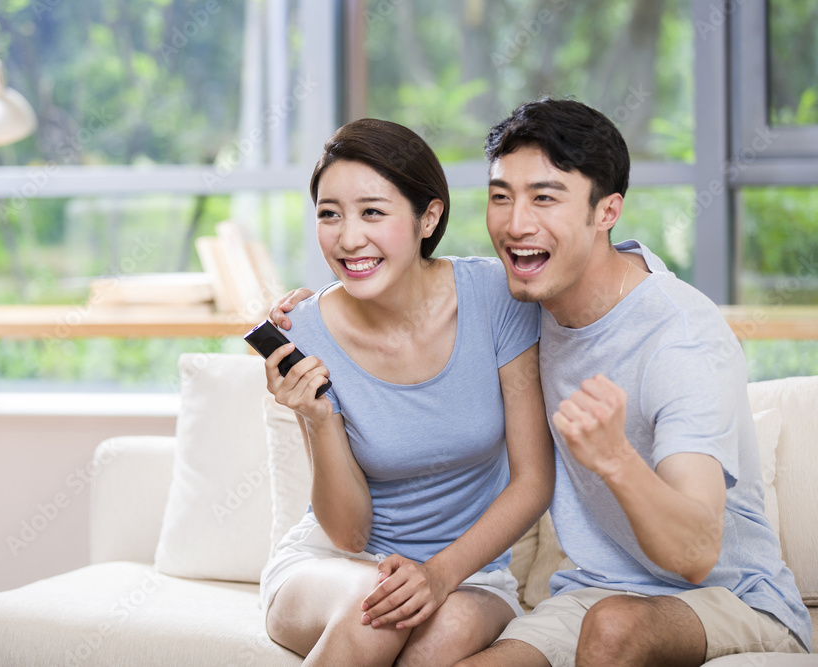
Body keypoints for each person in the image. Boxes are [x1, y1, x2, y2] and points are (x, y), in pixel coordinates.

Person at [276, 99, 812, 665]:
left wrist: (617, 461)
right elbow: (405, 290)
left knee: (613, 629)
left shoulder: (682, 342)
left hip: (729, 596)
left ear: (607, 212)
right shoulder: (529, 304)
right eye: (502, 196)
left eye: (545, 197)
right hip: (592, 591)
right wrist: (321, 313)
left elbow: (697, 553)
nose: (515, 223)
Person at [259, 117, 555, 666]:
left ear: (429, 216)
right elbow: (348, 534)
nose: (348, 238)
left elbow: (534, 481)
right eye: (329, 214)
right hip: (333, 568)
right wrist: (318, 418)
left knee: (434, 643)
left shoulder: (496, 297)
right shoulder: (306, 330)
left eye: (373, 211)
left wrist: (437, 576)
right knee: (376, 614)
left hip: (469, 577)